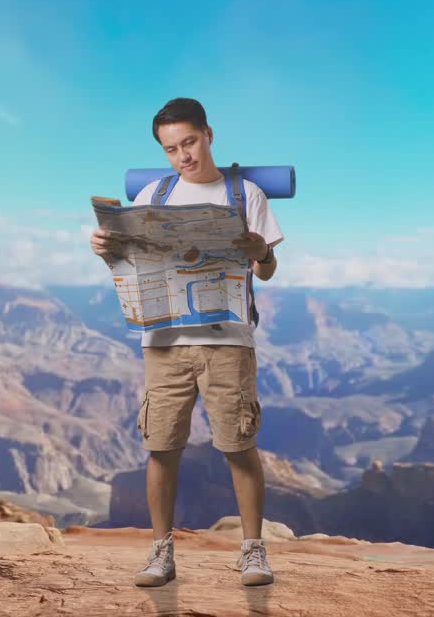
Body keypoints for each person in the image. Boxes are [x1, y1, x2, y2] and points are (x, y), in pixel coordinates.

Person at [89, 97, 284, 588]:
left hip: (228, 342)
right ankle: (161, 554)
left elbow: (267, 268)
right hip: (163, 342)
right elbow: (132, 262)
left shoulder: (246, 195)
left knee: (238, 445)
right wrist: (106, 248)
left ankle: (253, 552)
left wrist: (260, 252)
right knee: (161, 446)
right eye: (172, 148)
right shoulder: (153, 193)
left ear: (208, 134)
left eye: (189, 143)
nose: (183, 156)